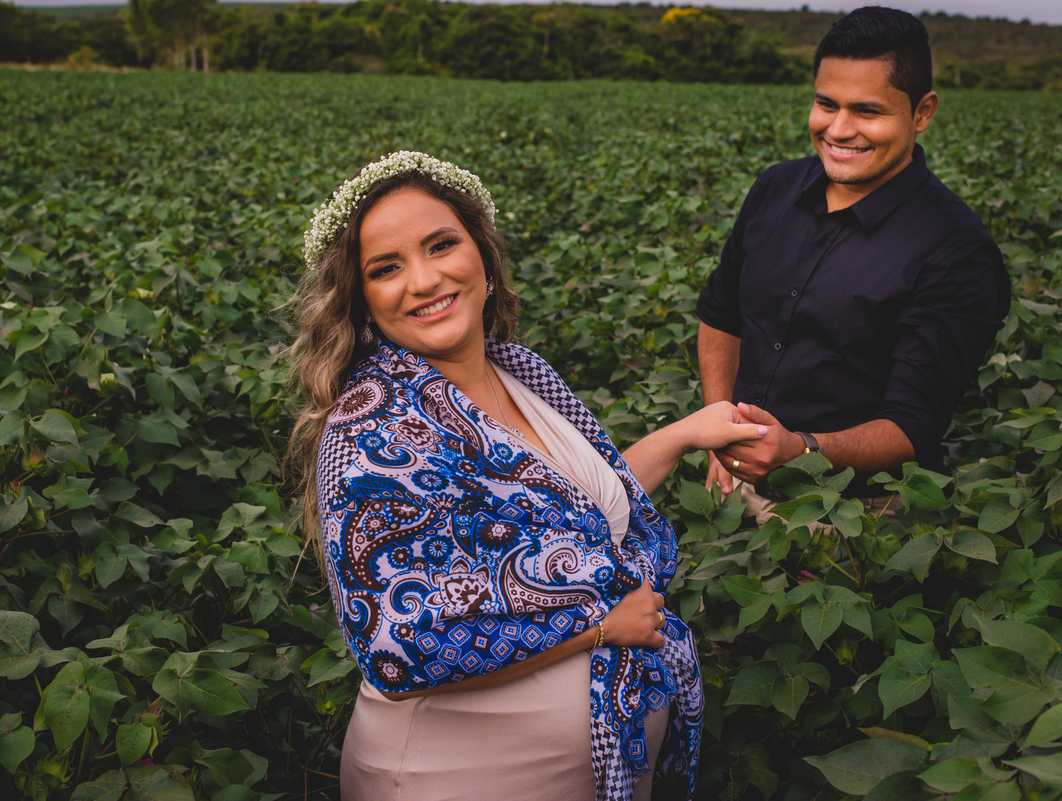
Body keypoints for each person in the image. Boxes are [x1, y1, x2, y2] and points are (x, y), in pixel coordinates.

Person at [287, 151, 769, 801]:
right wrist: (601, 626)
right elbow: (402, 642)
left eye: (441, 245)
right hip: (451, 773)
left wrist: (684, 433)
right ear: (361, 298)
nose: (425, 279)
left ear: (482, 253)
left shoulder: (518, 373)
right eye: (387, 268)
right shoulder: (373, 426)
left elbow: (579, 511)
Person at [696, 6, 1010, 512]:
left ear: (922, 112)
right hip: (730, 484)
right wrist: (717, 424)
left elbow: (914, 424)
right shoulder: (777, 187)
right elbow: (721, 315)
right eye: (826, 104)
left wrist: (800, 450)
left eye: (867, 111)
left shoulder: (956, 249)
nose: (839, 129)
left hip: (850, 517)